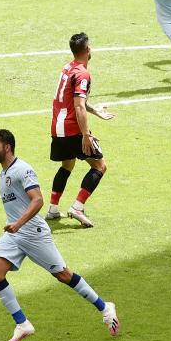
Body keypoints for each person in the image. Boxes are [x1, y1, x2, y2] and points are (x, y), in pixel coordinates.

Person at [0, 129, 119, 341]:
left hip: (32, 233)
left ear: (7, 147)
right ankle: (22, 324)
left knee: (64, 275)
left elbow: (38, 200)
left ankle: (105, 308)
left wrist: (18, 224)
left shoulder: (22, 169)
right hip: (14, 235)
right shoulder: (4, 173)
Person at [46, 33, 115, 228]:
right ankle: (77, 207)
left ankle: (52, 209)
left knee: (67, 165)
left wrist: (96, 111)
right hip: (73, 129)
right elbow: (78, 106)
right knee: (99, 166)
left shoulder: (68, 68)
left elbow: (75, 101)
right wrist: (86, 134)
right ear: (86, 50)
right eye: (90, 46)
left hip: (57, 128)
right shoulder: (83, 74)